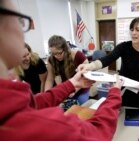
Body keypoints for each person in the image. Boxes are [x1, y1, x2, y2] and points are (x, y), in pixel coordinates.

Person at [0, 1, 124, 140]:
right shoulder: (48, 126)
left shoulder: (12, 102)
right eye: (20, 21)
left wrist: (72, 85)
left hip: (78, 88)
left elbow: (34, 103)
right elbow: (98, 132)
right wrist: (114, 93)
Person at [77, 17, 139, 108]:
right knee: (119, 115)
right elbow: (107, 59)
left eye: (137, 30)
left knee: (136, 117)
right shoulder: (124, 47)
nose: (133, 33)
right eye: (131, 30)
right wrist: (89, 66)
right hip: (122, 90)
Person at [45, 35, 89, 105]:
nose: (56, 56)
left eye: (59, 53)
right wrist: (46, 95)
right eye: (54, 54)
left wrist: (74, 90)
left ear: (65, 48)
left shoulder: (78, 55)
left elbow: (86, 76)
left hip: (81, 88)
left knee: (80, 106)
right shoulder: (51, 59)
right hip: (66, 89)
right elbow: (50, 79)